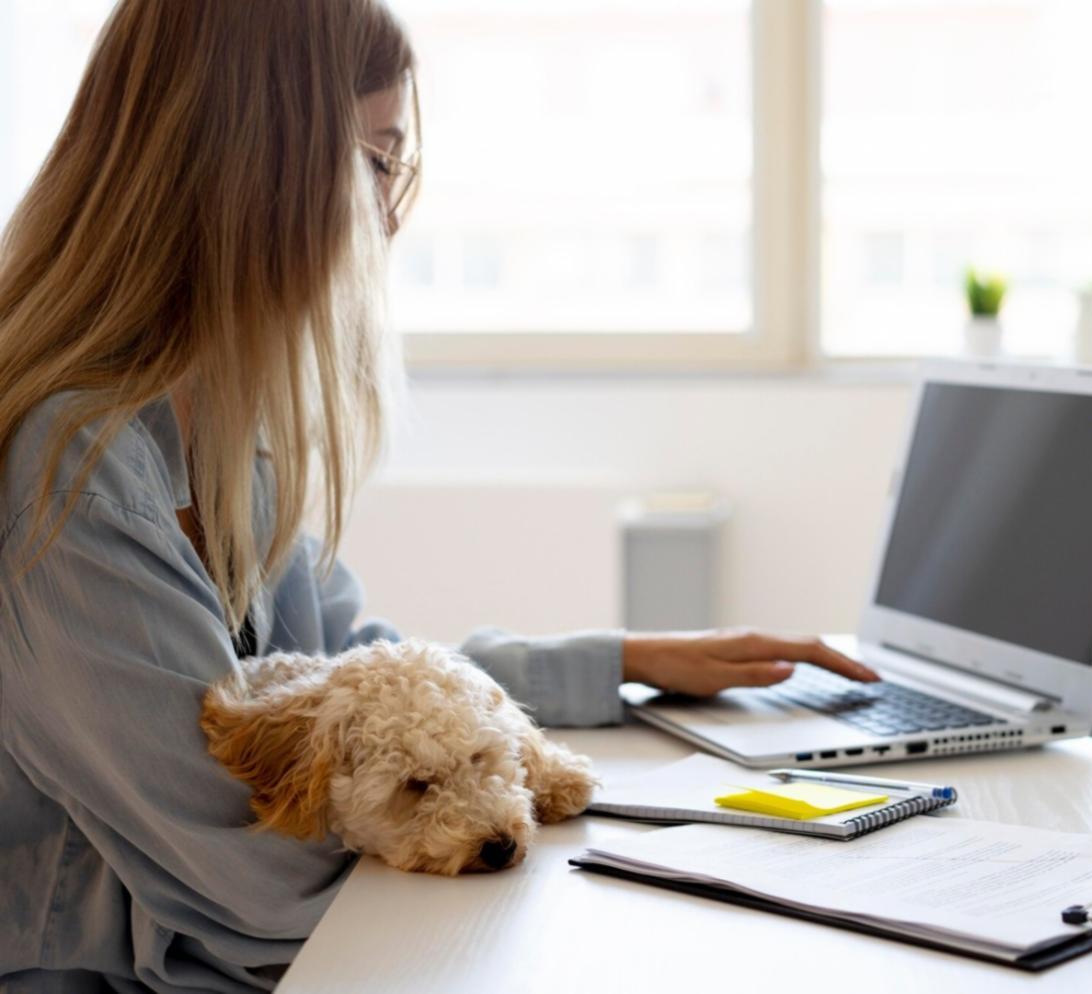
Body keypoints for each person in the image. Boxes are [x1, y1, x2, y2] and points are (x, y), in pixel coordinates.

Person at [0, 3, 876, 991]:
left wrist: (623, 663)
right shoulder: (72, 469)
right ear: (254, 173)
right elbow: (252, 884)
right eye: (376, 160)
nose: (392, 212)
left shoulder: (222, 418)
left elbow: (360, 676)